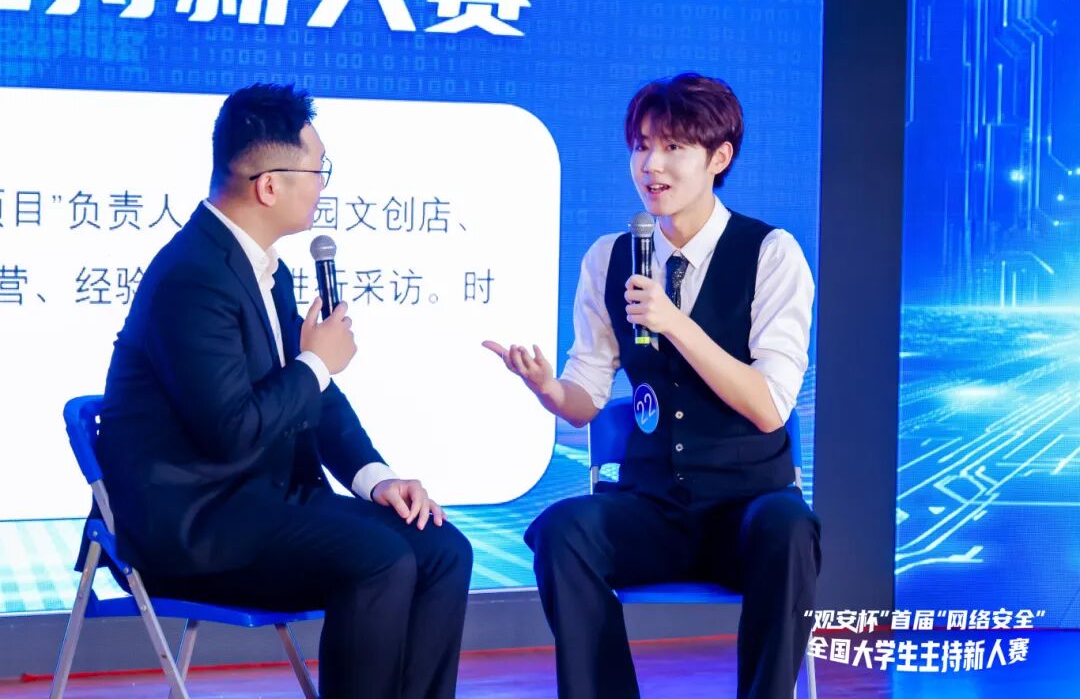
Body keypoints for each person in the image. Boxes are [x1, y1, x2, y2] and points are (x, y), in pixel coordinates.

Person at [88, 83, 473, 699]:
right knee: (379, 558)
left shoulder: (267, 268)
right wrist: (316, 363)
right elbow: (233, 429)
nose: (323, 187)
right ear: (269, 186)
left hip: (267, 501)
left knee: (442, 548)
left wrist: (376, 478)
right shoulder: (193, 278)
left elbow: (314, 397)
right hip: (198, 525)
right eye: (319, 172)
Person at [483, 72, 820, 699]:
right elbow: (584, 399)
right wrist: (546, 388)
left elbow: (770, 406)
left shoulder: (772, 254)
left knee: (790, 529)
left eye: (673, 148)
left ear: (719, 158)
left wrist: (674, 322)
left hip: (747, 506)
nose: (651, 165)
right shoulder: (610, 258)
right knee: (563, 531)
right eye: (641, 146)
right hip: (653, 506)